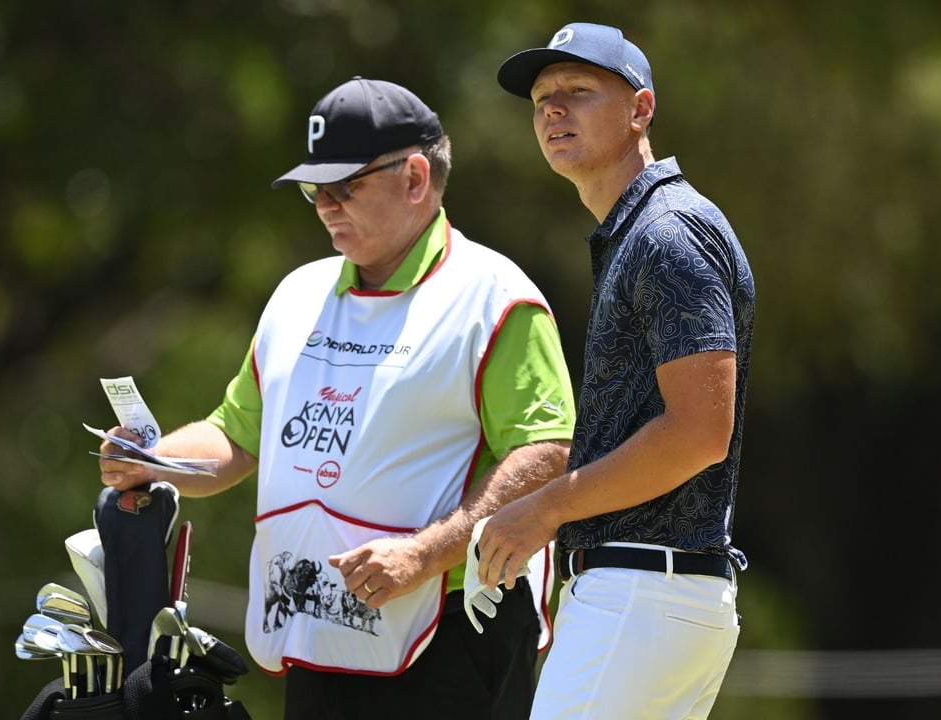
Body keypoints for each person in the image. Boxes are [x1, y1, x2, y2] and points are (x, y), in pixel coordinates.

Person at [97, 76, 575, 720]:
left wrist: (423, 554)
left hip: (454, 632)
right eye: (313, 189)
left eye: (344, 186)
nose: (324, 205)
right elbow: (237, 438)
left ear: (414, 178)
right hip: (320, 631)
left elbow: (546, 455)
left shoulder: (495, 297)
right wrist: (154, 459)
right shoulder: (297, 294)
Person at [473, 23, 756, 719]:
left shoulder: (666, 233)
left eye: (579, 90)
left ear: (641, 109)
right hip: (652, 595)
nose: (553, 110)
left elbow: (698, 433)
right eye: (541, 99)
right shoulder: (640, 231)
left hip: (643, 593)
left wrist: (542, 511)